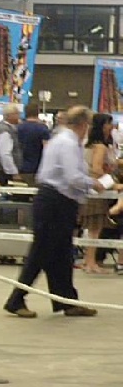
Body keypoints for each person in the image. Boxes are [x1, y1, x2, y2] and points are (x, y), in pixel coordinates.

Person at [3, 106, 120, 319]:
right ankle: (16, 298)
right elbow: (73, 177)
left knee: (61, 255)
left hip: (58, 201)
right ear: (84, 124)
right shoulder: (67, 143)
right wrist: (95, 183)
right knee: (41, 253)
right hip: (55, 201)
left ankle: (67, 301)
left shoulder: (64, 141)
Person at [78, 113, 117, 274]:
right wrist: (109, 180)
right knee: (95, 228)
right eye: (109, 124)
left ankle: (89, 261)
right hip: (97, 188)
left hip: (87, 188)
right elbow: (96, 168)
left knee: (92, 229)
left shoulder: (88, 144)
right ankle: (91, 262)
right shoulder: (100, 146)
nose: (111, 127)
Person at [16, 103, 50, 186]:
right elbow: (47, 149)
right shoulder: (43, 128)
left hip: (19, 167)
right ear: (38, 112)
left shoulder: (18, 127)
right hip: (37, 168)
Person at [0, 104, 22, 185]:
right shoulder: (5, 130)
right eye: (17, 114)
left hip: (3, 170)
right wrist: (13, 172)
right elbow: (4, 154)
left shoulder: (7, 128)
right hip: (2, 171)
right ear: (9, 116)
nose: (19, 116)